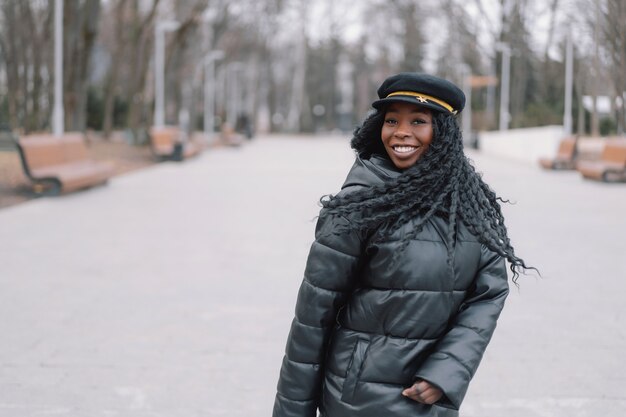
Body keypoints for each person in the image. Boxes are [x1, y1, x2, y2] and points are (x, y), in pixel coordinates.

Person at [272, 73, 531, 417]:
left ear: (444, 132)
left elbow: (489, 293)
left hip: (428, 401)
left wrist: (446, 372)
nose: (401, 132)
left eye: (418, 121)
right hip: (357, 398)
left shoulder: (468, 204)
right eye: (391, 119)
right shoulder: (358, 204)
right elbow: (311, 321)